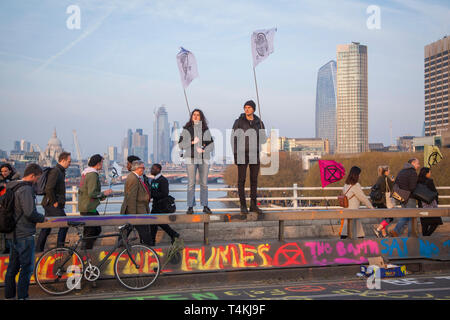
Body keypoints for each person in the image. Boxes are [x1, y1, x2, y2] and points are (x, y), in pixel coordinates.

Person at [4, 163, 46, 300]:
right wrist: (42, 218)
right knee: (26, 268)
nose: (38, 181)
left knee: (12, 268)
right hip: (24, 233)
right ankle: (22, 297)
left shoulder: (13, 185)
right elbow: (29, 212)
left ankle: (9, 296)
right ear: (32, 175)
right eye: (38, 178)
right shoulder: (26, 189)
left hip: (12, 232)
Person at [231, 100, 267, 214]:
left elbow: (263, 140)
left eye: (249, 107)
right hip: (242, 153)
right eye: (245, 107)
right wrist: (236, 155)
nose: (246, 109)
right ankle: (242, 205)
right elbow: (233, 139)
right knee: (241, 180)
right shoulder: (238, 122)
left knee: (254, 180)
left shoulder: (259, 122)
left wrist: (262, 131)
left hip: (254, 153)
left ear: (254, 109)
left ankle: (253, 205)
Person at [178, 108, 214, 214]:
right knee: (191, 183)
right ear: (191, 116)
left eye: (198, 115)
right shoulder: (187, 129)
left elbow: (211, 146)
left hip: (204, 158)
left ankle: (205, 205)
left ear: (201, 117)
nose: (196, 116)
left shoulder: (205, 130)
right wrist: (192, 142)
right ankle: (190, 206)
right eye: (194, 114)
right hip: (191, 157)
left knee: (204, 183)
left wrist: (203, 149)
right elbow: (180, 145)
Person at [35, 152, 71, 252]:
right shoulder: (56, 171)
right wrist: (55, 202)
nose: (70, 163)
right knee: (64, 223)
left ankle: (38, 249)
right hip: (51, 204)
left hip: (49, 203)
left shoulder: (60, 171)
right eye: (69, 161)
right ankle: (60, 248)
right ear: (62, 160)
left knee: (47, 227)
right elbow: (49, 188)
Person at [78, 154, 113, 249]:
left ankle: (86, 249)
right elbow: (92, 193)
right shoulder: (93, 175)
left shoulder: (86, 173)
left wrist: (102, 196)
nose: (102, 164)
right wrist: (104, 194)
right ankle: (86, 251)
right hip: (89, 207)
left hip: (85, 206)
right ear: (98, 164)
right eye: (101, 162)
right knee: (92, 231)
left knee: (92, 230)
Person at [120, 160, 153, 245]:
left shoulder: (134, 177)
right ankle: (149, 248)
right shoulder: (133, 178)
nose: (144, 170)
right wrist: (133, 214)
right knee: (144, 231)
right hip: (138, 211)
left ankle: (121, 243)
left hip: (138, 210)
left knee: (128, 229)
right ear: (137, 168)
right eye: (143, 168)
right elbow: (131, 197)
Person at [339, 166, 374, 239]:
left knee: (346, 230)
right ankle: (359, 247)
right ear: (356, 175)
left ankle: (344, 244)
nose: (360, 176)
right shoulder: (356, 185)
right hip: (354, 211)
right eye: (359, 174)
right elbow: (363, 198)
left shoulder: (346, 184)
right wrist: (371, 207)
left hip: (347, 210)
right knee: (358, 233)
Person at [149, 164, 180, 245]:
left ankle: (153, 241)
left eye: (153, 169)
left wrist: (153, 195)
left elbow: (165, 193)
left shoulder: (163, 180)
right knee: (155, 223)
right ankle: (173, 234)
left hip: (161, 206)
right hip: (155, 205)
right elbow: (152, 192)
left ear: (158, 169)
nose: (151, 170)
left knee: (155, 223)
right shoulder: (153, 180)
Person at [389, 158, 420, 237]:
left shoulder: (401, 172)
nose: (419, 166)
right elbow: (412, 187)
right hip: (410, 198)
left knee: (406, 216)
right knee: (411, 218)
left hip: (401, 198)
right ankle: (411, 236)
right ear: (413, 163)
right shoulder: (413, 172)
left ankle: (396, 231)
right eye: (417, 164)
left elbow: (396, 184)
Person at [1, 164, 20, 254]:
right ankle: (6, 248)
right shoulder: (1, 181)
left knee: (12, 229)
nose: (4, 173)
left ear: (10, 171)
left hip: (13, 208)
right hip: (3, 208)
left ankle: (11, 249)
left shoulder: (15, 181)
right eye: (2, 171)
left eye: (6, 171)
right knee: (4, 228)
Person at [417, 167, 442, 236]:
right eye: (430, 172)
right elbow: (435, 193)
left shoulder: (417, 181)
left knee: (424, 224)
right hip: (431, 205)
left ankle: (424, 239)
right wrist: (436, 201)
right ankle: (427, 236)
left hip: (421, 205)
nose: (430, 174)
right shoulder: (429, 181)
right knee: (436, 222)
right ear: (426, 173)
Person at [371, 165, 395, 238]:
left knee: (383, 217)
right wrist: (393, 181)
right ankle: (378, 229)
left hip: (378, 201)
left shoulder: (379, 178)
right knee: (390, 218)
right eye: (388, 170)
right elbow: (392, 188)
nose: (389, 171)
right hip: (385, 200)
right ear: (386, 171)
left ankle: (384, 234)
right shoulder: (386, 179)